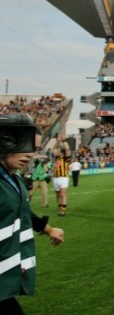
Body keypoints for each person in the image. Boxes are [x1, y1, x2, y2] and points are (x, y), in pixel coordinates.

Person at [0, 114, 65, 314]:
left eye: (34, 149)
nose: (30, 154)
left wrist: (49, 229)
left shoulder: (14, 178)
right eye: (24, 145)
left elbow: (23, 212)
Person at [52, 138, 71, 216]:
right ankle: (60, 209)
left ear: (62, 153)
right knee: (58, 195)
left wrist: (64, 141)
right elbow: (53, 149)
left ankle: (63, 210)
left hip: (63, 178)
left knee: (62, 194)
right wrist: (57, 141)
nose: (57, 151)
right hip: (55, 178)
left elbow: (67, 149)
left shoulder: (66, 158)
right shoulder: (56, 158)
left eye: (59, 151)